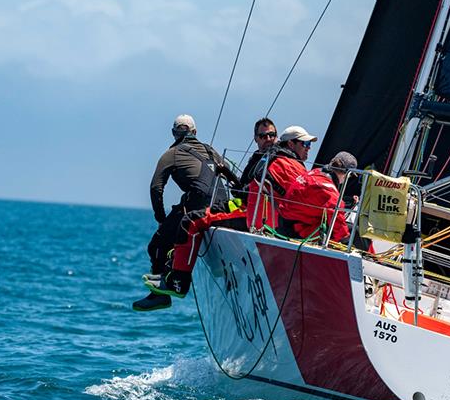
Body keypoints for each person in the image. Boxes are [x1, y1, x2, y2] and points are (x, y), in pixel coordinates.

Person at [133, 114, 228, 312]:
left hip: (198, 209)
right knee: (176, 226)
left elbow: (155, 188)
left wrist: (161, 219)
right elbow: (227, 175)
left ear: (174, 133)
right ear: (195, 132)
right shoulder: (212, 151)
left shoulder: (172, 153)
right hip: (223, 207)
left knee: (156, 245)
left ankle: (160, 296)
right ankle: (173, 268)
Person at [246, 125, 317, 231]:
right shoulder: (286, 165)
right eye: (305, 143)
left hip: (260, 223)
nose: (308, 147)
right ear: (291, 144)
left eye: (309, 144)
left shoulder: (277, 160)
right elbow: (308, 197)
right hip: (271, 228)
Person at [236, 118, 278, 201]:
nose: (268, 139)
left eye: (272, 134)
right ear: (256, 139)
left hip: (274, 207)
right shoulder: (252, 162)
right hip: (251, 206)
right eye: (263, 136)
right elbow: (240, 188)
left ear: (276, 136)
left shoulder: (282, 156)